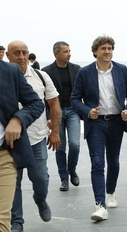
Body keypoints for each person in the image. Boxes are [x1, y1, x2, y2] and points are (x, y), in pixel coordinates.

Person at [71, 35, 127, 221]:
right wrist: (87, 111)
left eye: (110, 48)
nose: (107, 51)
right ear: (95, 52)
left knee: (113, 161)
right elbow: (75, 99)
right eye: (103, 48)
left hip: (117, 121)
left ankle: (110, 193)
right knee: (98, 163)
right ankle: (100, 205)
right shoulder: (85, 72)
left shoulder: (121, 70)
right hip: (96, 123)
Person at [6, 40, 61, 232]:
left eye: (24, 53)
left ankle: (40, 199)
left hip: (36, 138)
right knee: (13, 183)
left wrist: (54, 131)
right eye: (16, 53)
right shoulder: (4, 76)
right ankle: (17, 222)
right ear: (7, 55)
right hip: (10, 142)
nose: (21, 57)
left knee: (41, 179)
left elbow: (54, 104)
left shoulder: (41, 76)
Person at [0, 60, 44, 232]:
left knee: (2, 222)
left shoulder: (9, 71)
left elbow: (36, 103)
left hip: (4, 156)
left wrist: (18, 119)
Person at [42, 41, 81, 191]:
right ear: (56, 53)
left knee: (75, 144)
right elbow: (44, 97)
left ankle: (72, 169)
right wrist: (48, 117)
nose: (69, 54)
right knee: (60, 148)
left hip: (73, 111)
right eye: (65, 51)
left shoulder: (76, 69)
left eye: (69, 51)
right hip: (55, 114)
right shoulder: (46, 72)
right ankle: (63, 178)